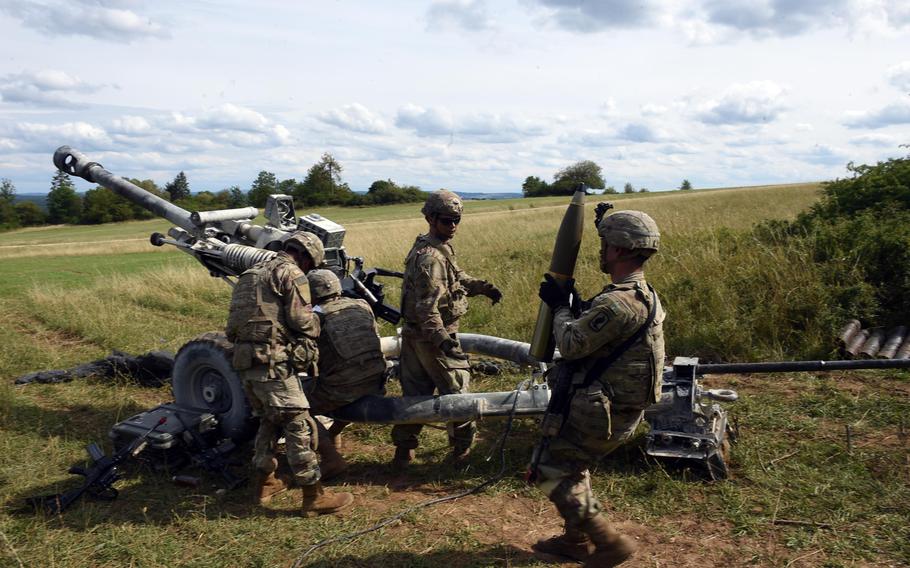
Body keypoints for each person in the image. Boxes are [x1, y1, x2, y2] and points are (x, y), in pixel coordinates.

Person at [531, 208, 665, 567]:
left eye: (605, 244)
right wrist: (576, 304)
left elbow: (573, 343)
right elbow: (600, 331)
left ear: (620, 250)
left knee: (550, 469)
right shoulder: (643, 293)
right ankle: (575, 541)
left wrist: (560, 307)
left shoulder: (619, 301)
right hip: (614, 407)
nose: (601, 250)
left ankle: (609, 543)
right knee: (574, 466)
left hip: (602, 409)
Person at [225, 231, 353, 517]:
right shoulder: (291, 273)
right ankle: (313, 496)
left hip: (246, 361)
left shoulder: (251, 273)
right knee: (299, 424)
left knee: (269, 422)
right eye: (311, 265)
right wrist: (318, 319)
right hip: (273, 361)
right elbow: (299, 319)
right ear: (306, 257)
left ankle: (265, 482)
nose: (308, 270)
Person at [390, 189, 503, 471]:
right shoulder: (431, 256)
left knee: (414, 397)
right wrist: (443, 341)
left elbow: (455, 278)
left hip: (417, 335)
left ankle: (403, 452)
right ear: (430, 218)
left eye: (456, 220)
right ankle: (461, 453)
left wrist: (480, 287)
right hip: (433, 338)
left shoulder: (433, 246)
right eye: (445, 220)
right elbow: (428, 308)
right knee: (459, 394)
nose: (452, 226)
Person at [304, 269, 388, 478]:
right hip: (376, 382)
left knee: (297, 407)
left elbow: (307, 360)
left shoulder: (316, 317)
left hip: (342, 389)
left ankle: (331, 458)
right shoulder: (362, 305)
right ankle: (334, 435)